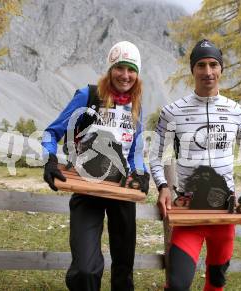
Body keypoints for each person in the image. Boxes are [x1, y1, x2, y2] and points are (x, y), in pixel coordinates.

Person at [149, 39, 241, 291]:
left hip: (225, 214)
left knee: (216, 284)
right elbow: (155, 156)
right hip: (189, 212)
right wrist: (162, 187)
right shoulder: (172, 112)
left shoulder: (237, 112)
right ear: (192, 70)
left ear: (221, 69)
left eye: (214, 64)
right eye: (201, 65)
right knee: (177, 285)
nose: (208, 71)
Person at [41, 41, 149, 291]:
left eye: (131, 69)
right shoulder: (87, 96)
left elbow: (135, 151)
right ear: (110, 69)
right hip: (86, 186)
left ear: (137, 74)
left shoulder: (136, 105)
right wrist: (50, 159)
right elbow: (51, 133)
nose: (125, 75)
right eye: (119, 68)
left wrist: (140, 172)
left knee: (124, 270)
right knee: (85, 270)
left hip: (121, 190)